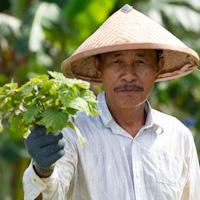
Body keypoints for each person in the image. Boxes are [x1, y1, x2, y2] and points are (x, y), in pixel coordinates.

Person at [23, 4, 200, 200]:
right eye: (117, 62)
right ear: (99, 67)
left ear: (158, 66)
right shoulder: (72, 131)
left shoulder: (177, 135)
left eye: (140, 62)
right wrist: (43, 170)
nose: (129, 76)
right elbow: (47, 195)